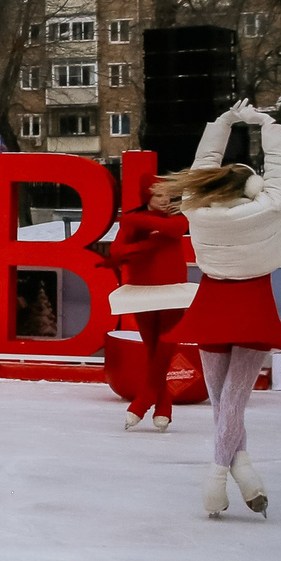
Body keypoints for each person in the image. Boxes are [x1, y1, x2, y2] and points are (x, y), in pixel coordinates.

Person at [161, 101, 281, 518]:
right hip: (252, 302)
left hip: (214, 301)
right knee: (230, 403)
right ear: (252, 188)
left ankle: (229, 476)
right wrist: (268, 125)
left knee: (224, 403)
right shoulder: (266, 205)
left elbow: (203, 164)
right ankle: (228, 474)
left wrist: (221, 122)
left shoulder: (195, 208)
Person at [103, 178, 194, 432]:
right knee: (153, 349)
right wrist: (151, 242)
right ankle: (164, 404)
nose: (165, 200)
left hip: (172, 291)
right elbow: (118, 251)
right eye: (158, 196)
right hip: (142, 291)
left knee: (164, 348)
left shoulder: (178, 218)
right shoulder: (137, 220)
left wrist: (137, 223)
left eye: (168, 194)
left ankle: (142, 401)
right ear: (147, 197)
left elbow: (175, 231)